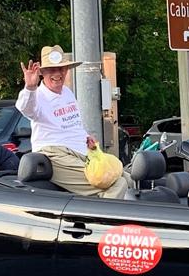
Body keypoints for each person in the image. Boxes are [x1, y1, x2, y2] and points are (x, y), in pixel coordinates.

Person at [17, 45, 129, 198]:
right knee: (117, 183)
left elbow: (73, 123)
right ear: (42, 72)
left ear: (67, 70)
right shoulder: (36, 95)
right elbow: (25, 108)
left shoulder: (67, 92)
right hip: (55, 154)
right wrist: (29, 87)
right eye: (51, 69)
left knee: (127, 177)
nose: (57, 73)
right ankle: (103, 220)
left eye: (61, 68)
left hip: (81, 152)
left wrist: (86, 138)